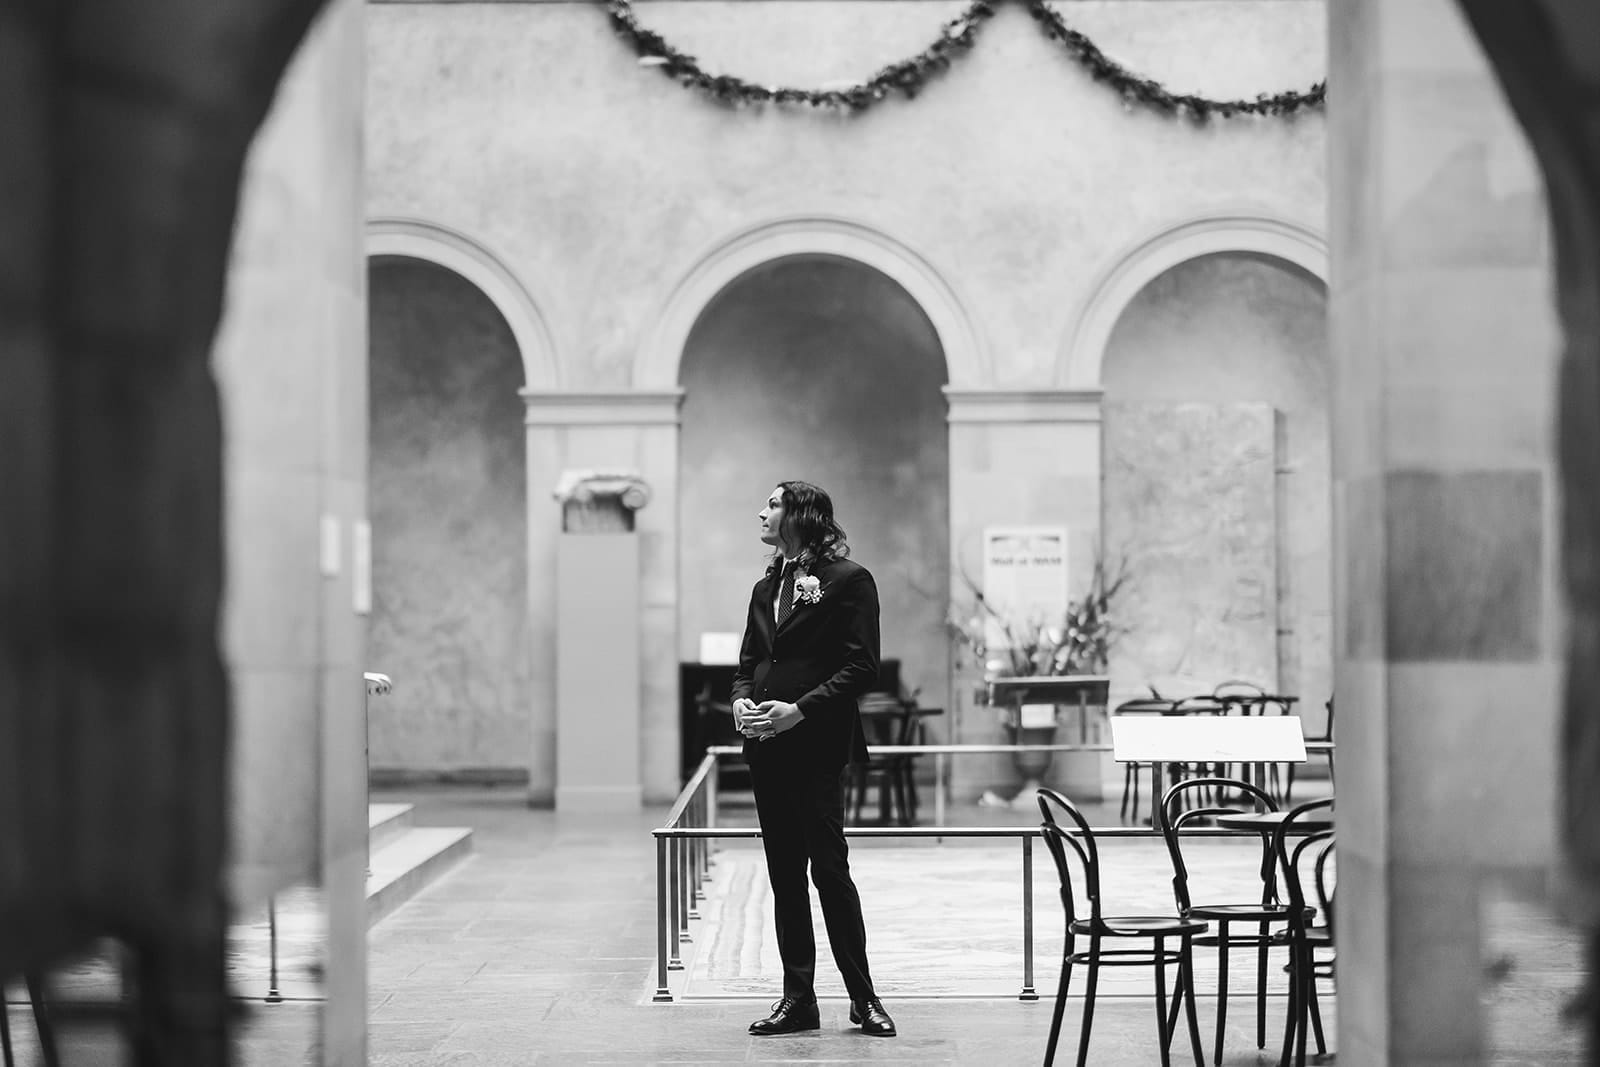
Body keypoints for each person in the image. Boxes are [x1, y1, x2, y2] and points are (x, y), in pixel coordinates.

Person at [732, 481, 896, 1038]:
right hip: (766, 748)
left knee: (829, 870)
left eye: (773, 503)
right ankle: (798, 1000)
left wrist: (798, 711)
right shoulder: (764, 586)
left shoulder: (849, 581)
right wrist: (740, 704)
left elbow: (861, 668)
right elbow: (750, 661)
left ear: (801, 514)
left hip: (818, 744)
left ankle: (863, 998)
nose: (762, 510)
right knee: (783, 875)